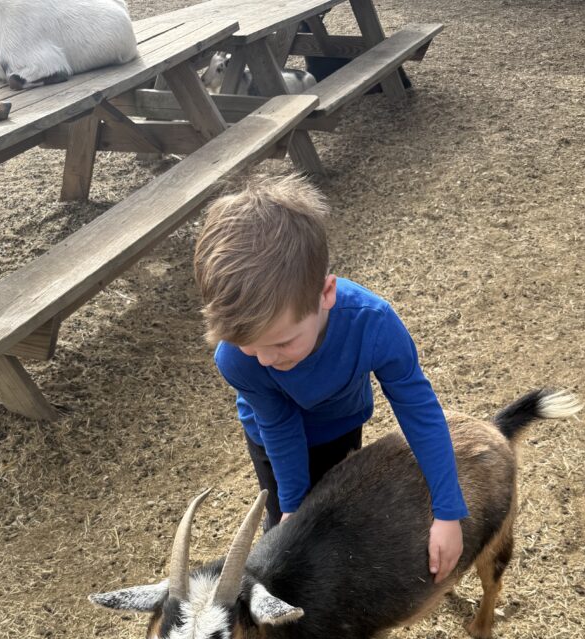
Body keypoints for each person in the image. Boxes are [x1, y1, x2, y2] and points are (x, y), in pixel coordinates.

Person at [193, 174, 467, 582]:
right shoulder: (237, 359)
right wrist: (291, 508)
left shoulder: (374, 325)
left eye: (283, 342)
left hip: (340, 424)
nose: (266, 360)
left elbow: (419, 410)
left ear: (325, 294)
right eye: (251, 345)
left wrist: (448, 511)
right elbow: (278, 425)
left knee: (337, 518)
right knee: (286, 531)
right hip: (269, 441)